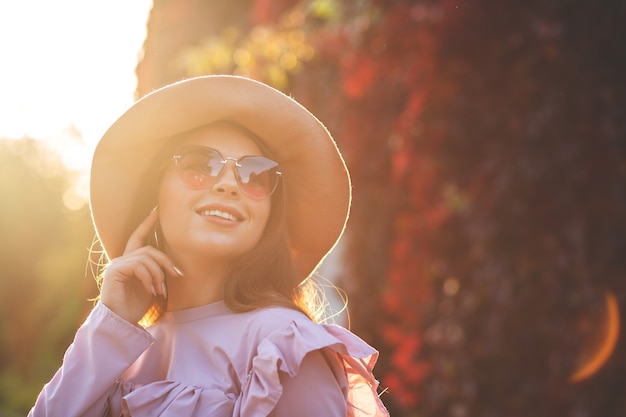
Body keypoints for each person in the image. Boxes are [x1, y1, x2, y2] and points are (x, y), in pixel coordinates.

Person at [29, 75, 389, 417]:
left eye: (254, 174)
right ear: (155, 193)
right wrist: (110, 322)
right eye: (199, 165)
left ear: (269, 215)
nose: (228, 185)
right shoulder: (119, 347)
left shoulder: (281, 346)